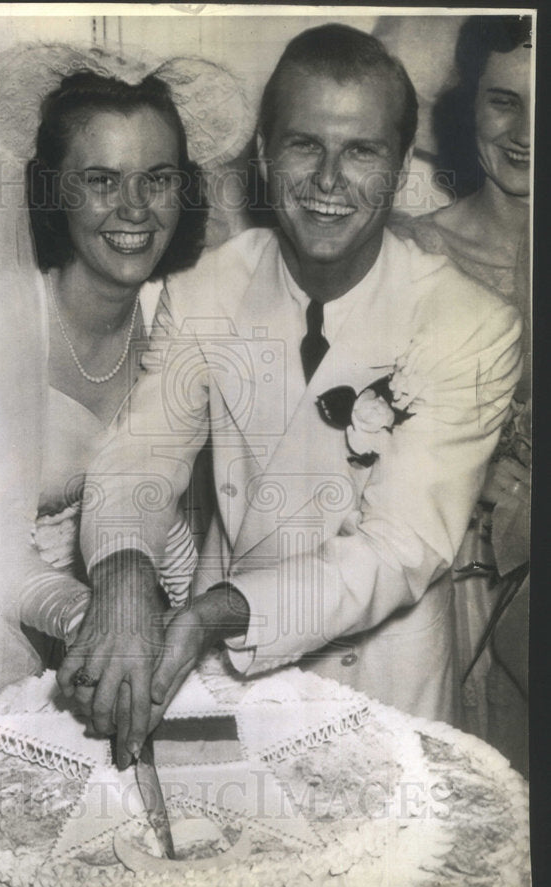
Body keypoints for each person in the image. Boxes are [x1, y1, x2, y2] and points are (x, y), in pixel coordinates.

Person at [56, 22, 522, 767]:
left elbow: (397, 549)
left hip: (378, 688)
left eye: (361, 150)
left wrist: (217, 612)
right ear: (266, 157)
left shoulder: (472, 324)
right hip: (214, 683)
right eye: (306, 144)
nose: (329, 180)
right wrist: (120, 577)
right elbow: (142, 452)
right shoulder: (208, 285)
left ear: (401, 167)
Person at [0, 43, 249, 776]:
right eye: (101, 180)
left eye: (158, 178)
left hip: (138, 636)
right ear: (52, 192)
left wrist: (152, 620)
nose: (135, 209)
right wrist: (85, 614)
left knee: (216, 809)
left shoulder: (188, 321)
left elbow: (196, 516)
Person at [391, 15, 532, 772]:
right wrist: (461, 470)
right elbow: (343, 436)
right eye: (503, 101)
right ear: (467, 108)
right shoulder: (412, 252)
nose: (525, 132)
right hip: (461, 590)